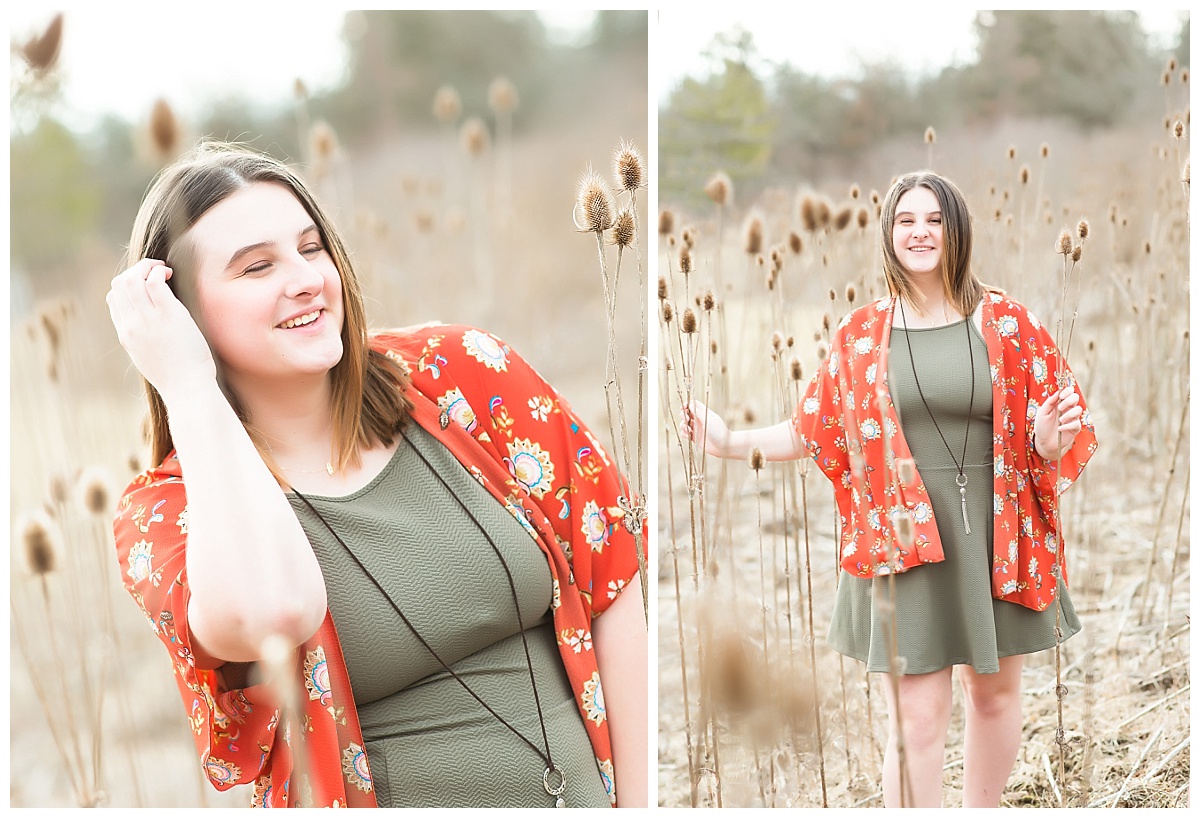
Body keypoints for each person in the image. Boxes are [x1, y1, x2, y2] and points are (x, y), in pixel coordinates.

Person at [108, 142, 648, 808]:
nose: (306, 279)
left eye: (312, 248)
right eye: (257, 267)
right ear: (182, 315)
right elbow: (277, 613)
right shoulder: (167, 517)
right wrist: (188, 385)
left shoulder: (461, 374)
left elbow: (611, 570)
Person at [682, 170, 1097, 808]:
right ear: (889, 234)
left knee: (993, 697)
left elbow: (1058, 430)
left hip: (996, 536)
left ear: (957, 230)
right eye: (907, 220)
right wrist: (730, 441)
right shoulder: (863, 334)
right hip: (903, 540)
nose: (920, 232)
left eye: (934, 219)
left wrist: (1045, 440)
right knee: (918, 720)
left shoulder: (1009, 321)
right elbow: (815, 427)